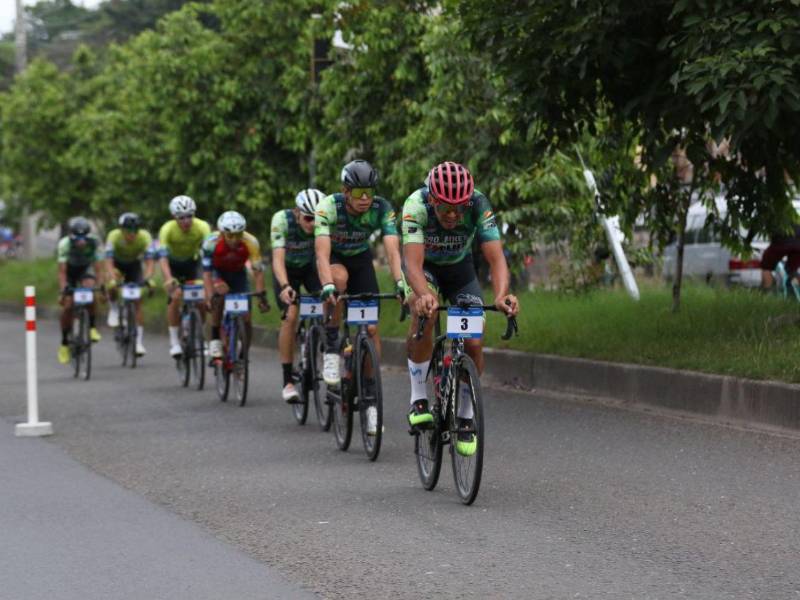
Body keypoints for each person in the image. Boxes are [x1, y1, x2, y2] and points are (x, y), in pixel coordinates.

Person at [402, 161, 519, 456]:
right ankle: (418, 398)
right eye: (445, 208)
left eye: (459, 208)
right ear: (432, 200)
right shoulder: (415, 206)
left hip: (459, 270)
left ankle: (466, 414)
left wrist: (503, 295)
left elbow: (496, 258)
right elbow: (412, 264)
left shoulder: (479, 204)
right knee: (423, 314)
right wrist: (423, 295)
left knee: (474, 340)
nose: (453, 215)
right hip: (424, 269)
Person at [314, 160, 404, 390]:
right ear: (345, 191)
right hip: (335, 257)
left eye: (369, 192)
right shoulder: (328, 207)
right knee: (339, 280)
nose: (365, 198)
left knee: (372, 329)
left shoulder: (382, 208)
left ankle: (371, 391)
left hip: (361, 259)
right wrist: (326, 285)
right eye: (358, 192)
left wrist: (400, 282)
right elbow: (322, 255)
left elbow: (393, 251)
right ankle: (332, 346)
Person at [271, 189, 324, 402]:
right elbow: (277, 259)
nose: (313, 224)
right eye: (308, 218)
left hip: (310, 268)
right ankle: (288, 381)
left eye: (317, 219)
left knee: (328, 301)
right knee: (291, 316)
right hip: (286, 271)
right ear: (296, 213)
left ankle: (323, 347)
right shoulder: (282, 221)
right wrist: (284, 286)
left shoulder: (323, 223)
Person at [202, 211, 269, 359]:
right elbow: (206, 273)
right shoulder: (210, 242)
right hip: (217, 273)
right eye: (230, 235)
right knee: (217, 300)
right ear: (221, 233)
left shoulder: (251, 242)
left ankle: (244, 354)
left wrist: (261, 297)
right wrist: (209, 295)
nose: (234, 240)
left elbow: (258, 272)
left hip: (238, 274)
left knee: (246, 317)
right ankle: (215, 339)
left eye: (238, 235)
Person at [157, 196, 211, 358]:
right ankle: (174, 341)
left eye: (189, 216)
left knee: (202, 298)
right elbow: (162, 258)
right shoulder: (167, 229)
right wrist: (168, 279)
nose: (186, 221)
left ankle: (198, 335)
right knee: (176, 296)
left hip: (193, 265)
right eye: (181, 217)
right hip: (172, 266)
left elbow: (209, 254)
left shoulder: (202, 227)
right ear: (175, 217)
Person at [105, 213, 156, 356]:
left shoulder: (144, 237)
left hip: (134, 265)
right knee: (112, 283)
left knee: (138, 301)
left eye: (135, 230)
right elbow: (108, 262)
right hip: (117, 264)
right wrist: (112, 278)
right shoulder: (113, 236)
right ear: (121, 230)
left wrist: (147, 279)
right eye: (128, 230)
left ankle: (138, 342)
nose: (131, 234)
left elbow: (150, 263)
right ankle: (114, 309)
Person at [56, 217, 105, 364]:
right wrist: (63, 289)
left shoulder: (94, 242)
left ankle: (92, 327)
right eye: (77, 237)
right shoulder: (65, 244)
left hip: (85, 269)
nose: (81, 241)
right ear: (71, 236)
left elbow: (98, 268)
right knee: (68, 306)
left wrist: (101, 286)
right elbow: (62, 272)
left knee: (90, 289)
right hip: (69, 271)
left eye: (84, 237)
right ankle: (64, 343)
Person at [760, 220, 800, 291]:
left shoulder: (772, 214)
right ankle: (797, 290)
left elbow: (753, 228)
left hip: (780, 243)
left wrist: (747, 241)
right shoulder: (794, 216)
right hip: (798, 246)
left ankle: (767, 291)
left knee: (766, 266)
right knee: (792, 270)